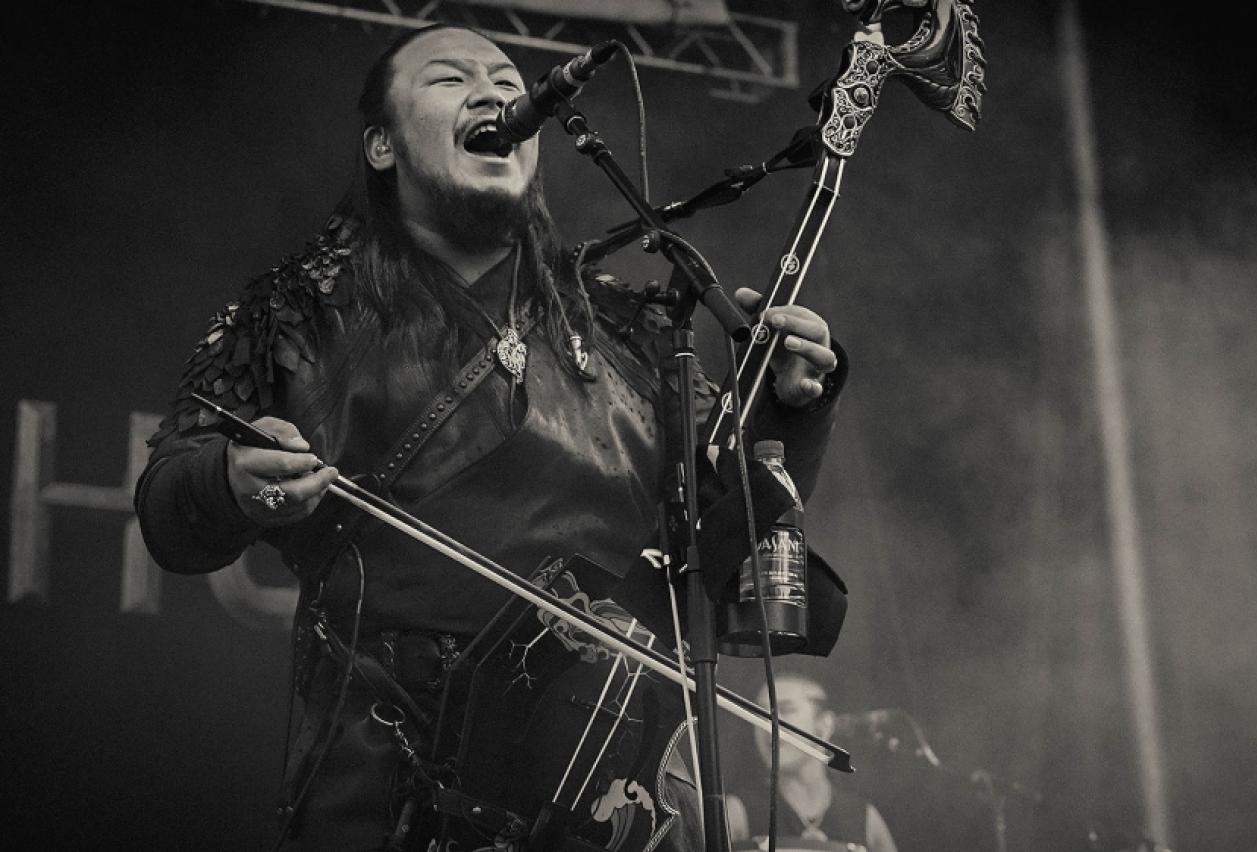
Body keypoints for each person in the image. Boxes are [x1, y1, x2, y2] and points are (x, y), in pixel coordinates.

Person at [135, 23, 846, 852]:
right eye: (450, 79)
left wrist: (789, 410)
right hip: (392, 781)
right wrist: (230, 478)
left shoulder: (630, 325)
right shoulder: (297, 312)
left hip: (607, 786)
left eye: (509, 81)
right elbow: (169, 509)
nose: (496, 94)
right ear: (381, 145)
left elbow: (728, 547)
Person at [727, 673, 897, 852]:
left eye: (786, 710)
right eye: (760, 714)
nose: (767, 724)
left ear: (824, 725)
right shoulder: (736, 812)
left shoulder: (865, 818)